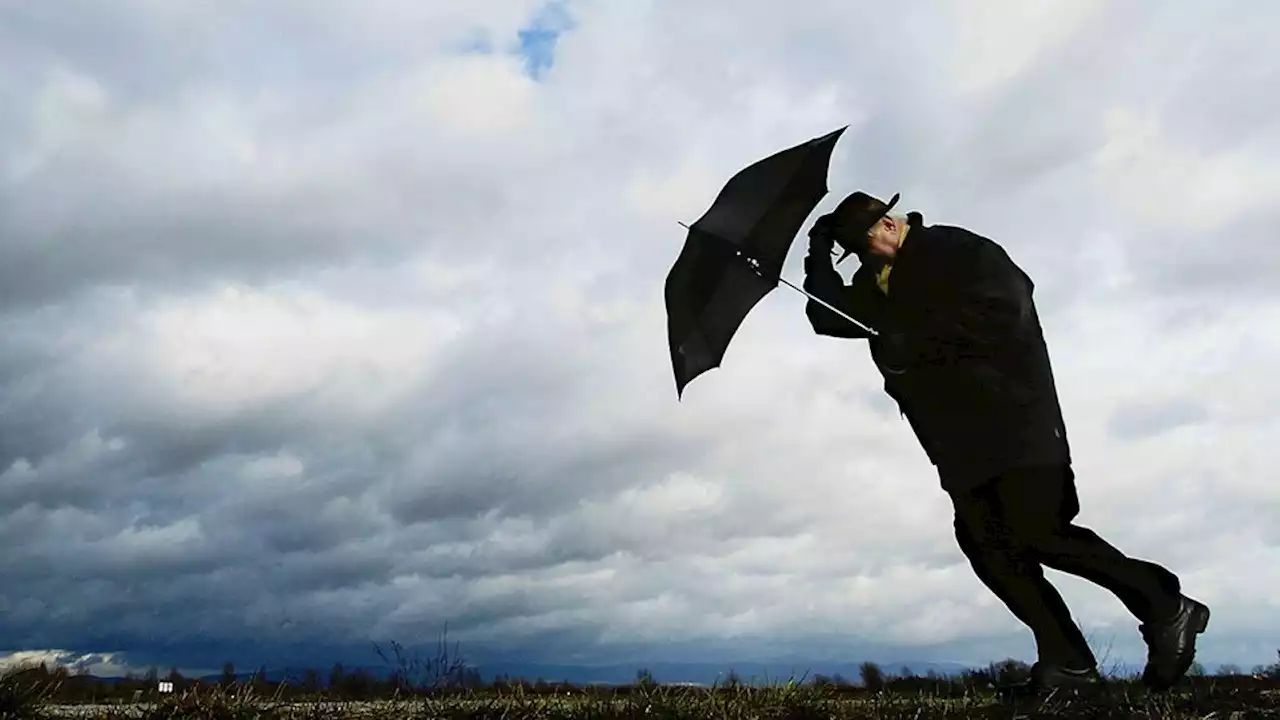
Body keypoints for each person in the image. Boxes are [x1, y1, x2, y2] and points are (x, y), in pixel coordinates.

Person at [801, 190, 1210, 695]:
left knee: (1041, 531)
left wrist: (918, 339)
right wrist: (819, 250)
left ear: (888, 225)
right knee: (986, 545)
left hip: (1016, 420)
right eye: (852, 252)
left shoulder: (952, 249)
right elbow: (826, 314)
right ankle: (1068, 661)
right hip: (957, 442)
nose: (863, 258)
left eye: (862, 245)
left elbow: (1006, 303)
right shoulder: (875, 282)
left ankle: (1166, 607)